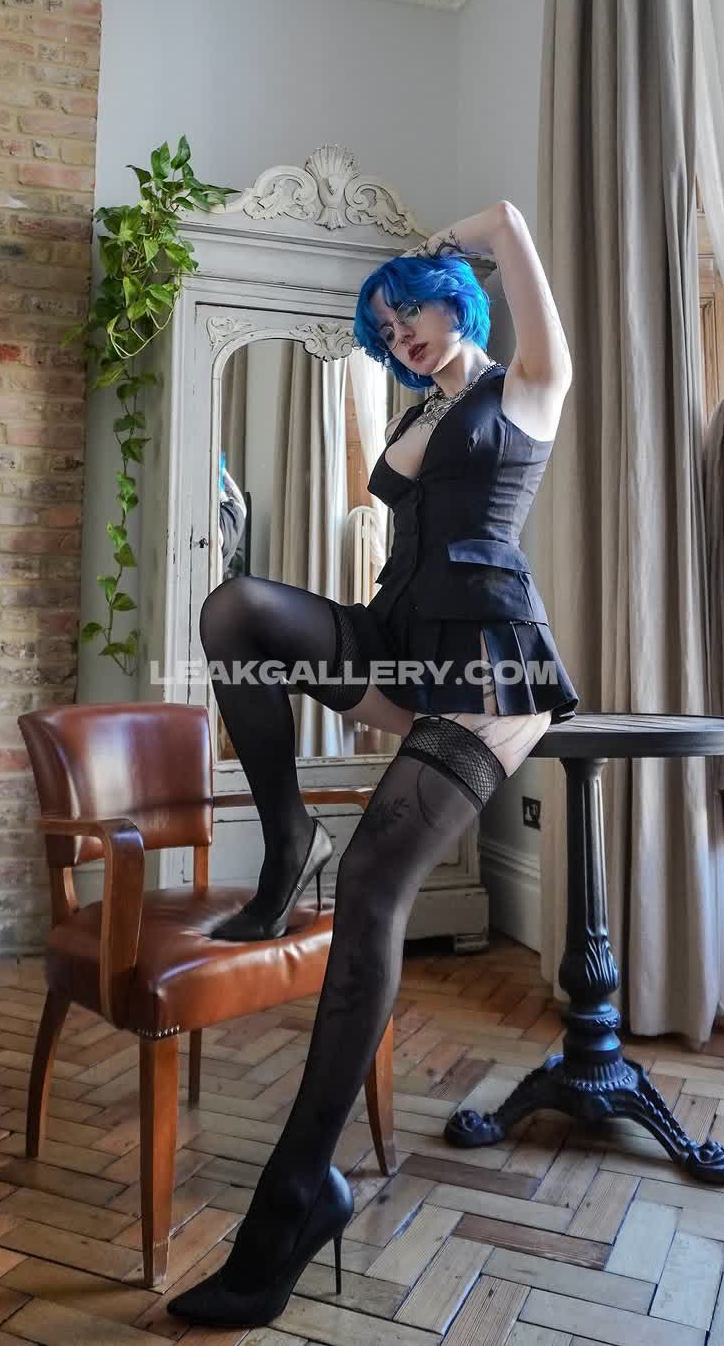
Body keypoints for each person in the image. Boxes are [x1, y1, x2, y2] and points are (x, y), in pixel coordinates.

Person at [168, 200, 578, 1328]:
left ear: (458, 302)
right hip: (400, 642)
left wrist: (473, 234)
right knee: (237, 612)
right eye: (387, 326)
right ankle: (285, 839)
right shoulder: (418, 408)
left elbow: (525, 274)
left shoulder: (526, 389)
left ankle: (297, 1195)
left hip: (487, 672)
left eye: (416, 314)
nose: (403, 334)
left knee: (370, 889)